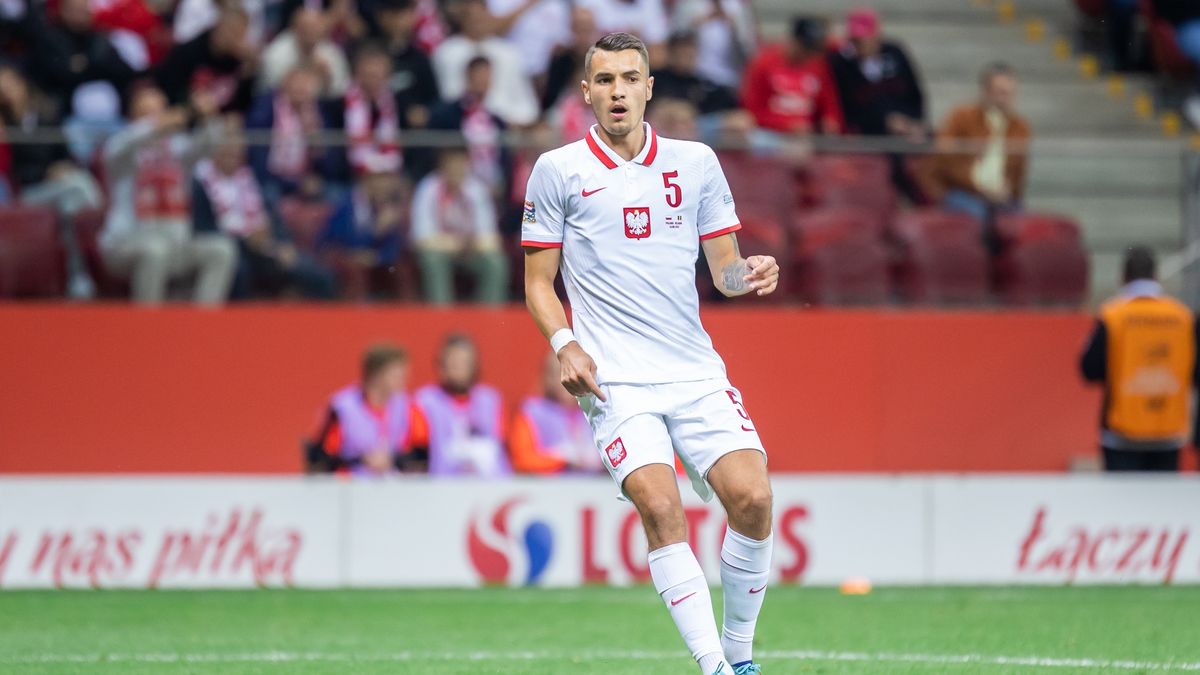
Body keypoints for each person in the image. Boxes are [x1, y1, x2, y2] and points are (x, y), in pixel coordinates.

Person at [522, 32, 779, 675]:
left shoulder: (695, 162)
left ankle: (740, 655)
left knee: (753, 500)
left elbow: (724, 271)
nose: (618, 92)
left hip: (694, 371)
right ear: (587, 92)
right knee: (662, 508)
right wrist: (566, 344)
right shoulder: (558, 170)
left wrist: (749, 273)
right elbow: (538, 283)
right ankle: (715, 668)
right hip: (616, 381)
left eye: (630, 78)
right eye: (605, 80)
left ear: (649, 88)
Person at [98, 85, 237, 305]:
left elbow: (207, 146)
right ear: (132, 117)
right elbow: (120, 145)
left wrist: (208, 117)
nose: (157, 118)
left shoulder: (177, 147)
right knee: (155, 251)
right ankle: (148, 321)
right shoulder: (122, 148)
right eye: (146, 113)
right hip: (125, 244)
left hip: (176, 245)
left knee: (221, 250)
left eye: (159, 111)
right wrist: (155, 126)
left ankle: (203, 320)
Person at [1079, 247, 1198, 472]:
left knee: (1122, 495)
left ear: (1124, 276)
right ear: (1155, 276)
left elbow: (1089, 369)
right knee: (1163, 495)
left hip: (1122, 432)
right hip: (1168, 429)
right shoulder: (1183, 317)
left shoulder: (1113, 315)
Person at [192, 130, 338, 300]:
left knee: (318, 275)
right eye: (227, 153)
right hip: (234, 247)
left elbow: (272, 217)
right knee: (239, 270)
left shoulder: (250, 178)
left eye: (236, 155)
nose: (232, 159)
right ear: (216, 154)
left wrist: (284, 243)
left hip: (266, 245)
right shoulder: (202, 182)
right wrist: (245, 240)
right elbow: (204, 227)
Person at [0, 65, 102, 298]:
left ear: (22, 84)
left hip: (56, 188)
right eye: (2, 88)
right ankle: (96, 221)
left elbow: (63, 152)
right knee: (78, 184)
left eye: (10, 84)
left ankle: (78, 276)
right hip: (27, 190)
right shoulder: (6, 124)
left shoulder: (45, 115)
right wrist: (45, 173)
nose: (7, 91)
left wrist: (61, 166)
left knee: (68, 209)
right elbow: (13, 170)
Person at [919, 62, 1030, 248]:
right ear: (986, 92)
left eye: (1010, 93)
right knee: (977, 216)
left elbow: (1018, 173)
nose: (1005, 99)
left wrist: (1006, 190)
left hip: (1001, 195)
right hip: (961, 190)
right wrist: (980, 186)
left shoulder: (1021, 127)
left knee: (1021, 224)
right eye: (1000, 92)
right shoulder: (960, 117)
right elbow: (946, 160)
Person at [827, 8, 927, 201]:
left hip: (907, 126)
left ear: (876, 35)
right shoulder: (839, 63)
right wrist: (886, 121)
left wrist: (914, 123)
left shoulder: (895, 53)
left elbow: (915, 94)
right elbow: (847, 107)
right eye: (855, 39)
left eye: (863, 38)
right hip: (868, 134)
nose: (859, 44)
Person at [306, 343, 430, 475]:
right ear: (375, 375)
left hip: (394, 484)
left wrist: (394, 460)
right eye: (396, 375)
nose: (403, 381)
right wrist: (361, 460)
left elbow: (421, 454)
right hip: (351, 484)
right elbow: (322, 459)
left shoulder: (409, 407)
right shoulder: (343, 409)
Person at [410, 145, 508, 304]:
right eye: (451, 164)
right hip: (440, 250)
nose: (456, 169)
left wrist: (471, 244)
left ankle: (489, 313)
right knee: (433, 259)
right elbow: (422, 238)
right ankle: (441, 313)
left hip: (471, 250)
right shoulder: (428, 188)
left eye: (460, 163)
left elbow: (491, 238)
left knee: (495, 262)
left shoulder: (477, 189)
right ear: (442, 166)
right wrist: (459, 243)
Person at [245, 66, 348, 203]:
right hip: (274, 178)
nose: (301, 89)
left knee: (338, 194)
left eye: (306, 84)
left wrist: (315, 139)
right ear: (285, 85)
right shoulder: (267, 106)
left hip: (307, 178)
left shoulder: (320, 112)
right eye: (296, 83)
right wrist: (294, 184)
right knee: (268, 194)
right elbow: (257, 151)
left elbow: (331, 163)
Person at [430, 0, 539, 126]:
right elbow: (448, 96)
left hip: (508, 126)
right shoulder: (446, 52)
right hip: (460, 126)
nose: (477, 22)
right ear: (462, 19)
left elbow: (527, 104)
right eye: (472, 17)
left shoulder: (509, 53)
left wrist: (512, 122)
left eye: (481, 16)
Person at [415, 333, 510, 476]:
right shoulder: (425, 401)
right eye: (453, 362)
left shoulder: (491, 400)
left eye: (464, 362)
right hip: (444, 482)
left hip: (490, 483)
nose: (458, 368)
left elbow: (502, 443)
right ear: (441, 365)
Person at [741, 16, 843, 135]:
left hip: (806, 135)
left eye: (813, 49)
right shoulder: (764, 63)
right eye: (805, 47)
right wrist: (785, 125)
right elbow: (751, 111)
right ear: (793, 40)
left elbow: (830, 107)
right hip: (770, 133)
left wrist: (830, 121)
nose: (809, 53)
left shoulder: (817, 67)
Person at [428, 56, 511, 194]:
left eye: (487, 76)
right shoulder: (446, 115)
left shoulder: (497, 121)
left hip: (493, 188)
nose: (483, 80)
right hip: (459, 183)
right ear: (468, 76)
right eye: (479, 75)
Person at [509, 352, 603, 473]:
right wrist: (563, 460)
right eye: (559, 373)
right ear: (547, 378)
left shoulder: (594, 411)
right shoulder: (531, 411)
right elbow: (522, 459)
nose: (568, 379)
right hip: (549, 483)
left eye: (576, 373)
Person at [320, 170, 406, 299]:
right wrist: (375, 231)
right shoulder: (345, 205)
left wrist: (377, 257)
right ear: (366, 181)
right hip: (343, 256)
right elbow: (341, 241)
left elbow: (395, 246)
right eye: (381, 180)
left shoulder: (386, 207)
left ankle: (407, 310)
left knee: (398, 268)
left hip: (375, 258)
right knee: (355, 269)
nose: (386, 186)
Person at [155, 7, 257, 114]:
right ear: (218, 26)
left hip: (219, 119)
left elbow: (241, 105)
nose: (232, 38)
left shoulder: (240, 62)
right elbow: (169, 89)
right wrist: (190, 106)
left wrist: (248, 73)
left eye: (239, 34)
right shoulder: (189, 51)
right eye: (230, 30)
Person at [370, 0, 440, 130]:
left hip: (410, 134)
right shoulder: (368, 53)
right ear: (381, 17)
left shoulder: (419, 59)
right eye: (392, 14)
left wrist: (424, 112)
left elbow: (434, 99)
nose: (397, 21)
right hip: (372, 127)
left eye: (402, 14)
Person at [259, 7, 351, 97]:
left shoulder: (331, 53)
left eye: (315, 28)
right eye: (306, 28)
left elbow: (341, 90)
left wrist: (327, 79)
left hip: (321, 104)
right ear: (294, 29)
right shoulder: (277, 53)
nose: (311, 33)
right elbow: (269, 91)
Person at [344, 42, 403, 175]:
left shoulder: (399, 102)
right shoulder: (340, 103)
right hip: (351, 172)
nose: (373, 79)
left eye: (378, 74)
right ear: (358, 74)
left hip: (391, 172)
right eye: (369, 74)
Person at [670, 0, 756, 90]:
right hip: (697, 78)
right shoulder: (689, 4)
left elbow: (750, 51)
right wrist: (696, 23)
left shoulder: (739, 8)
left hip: (731, 80)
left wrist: (735, 27)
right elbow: (676, 41)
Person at [650, 30, 738, 116]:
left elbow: (726, 102)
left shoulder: (700, 84)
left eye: (690, 50)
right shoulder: (656, 79)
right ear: (671, 52)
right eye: (682, 50)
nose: (686, 54)